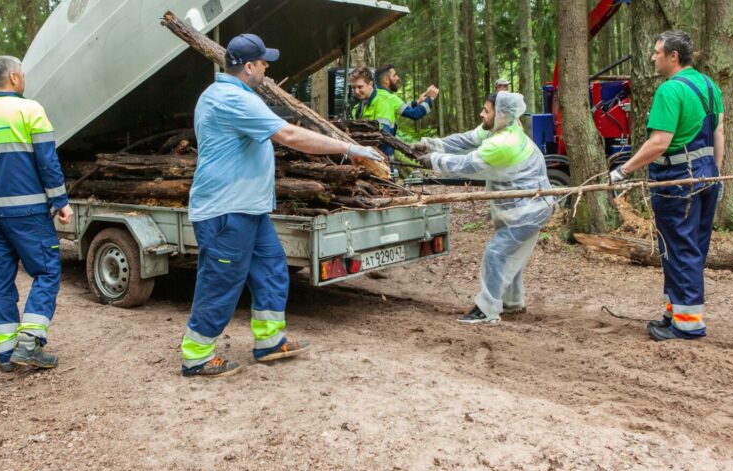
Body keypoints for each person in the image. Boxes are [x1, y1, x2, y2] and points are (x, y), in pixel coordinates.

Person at [182, 33, 385, 378]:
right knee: (221, 280)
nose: (266, 69)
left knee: (272, 268)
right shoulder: (232, 99)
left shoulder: (226, 93)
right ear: (248, 67)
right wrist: (350, 149)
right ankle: (196, 355)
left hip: (248, 210)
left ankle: (269, 341)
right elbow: (288, 136)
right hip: (226, 210)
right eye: (263, 64)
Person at [608, 30, 724, 342]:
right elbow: (719, 135)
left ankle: (686, 325)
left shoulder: (670, 91)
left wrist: (623, 171)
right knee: (691, 248)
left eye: (657, 52)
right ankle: (676, 312)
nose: (652, 57)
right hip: (706, 176)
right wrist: (717, 175)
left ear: (673, 56)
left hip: (677, 181)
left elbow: (659, 142)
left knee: (678, 248)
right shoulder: (710, 86)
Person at [0, 56, 73, 372]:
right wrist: (61, 202)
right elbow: (47, 162)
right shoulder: (30, 110)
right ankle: (30, 342)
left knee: (0, 279)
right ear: (12, 77)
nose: (24, 78)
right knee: (48, 270)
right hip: (29, 211)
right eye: (22, 74)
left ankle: (5, 352)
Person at [412, 91, 554, 323]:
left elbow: (468, 164)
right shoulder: (504, 128)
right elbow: (466, 139)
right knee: (511, 255)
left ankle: (486, 310)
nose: (481, 114)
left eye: (486, 110)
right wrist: (430, 144)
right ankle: (513, 302)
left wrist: (433, 160)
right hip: (529, 206)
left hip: (527, 210)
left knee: (496, 254)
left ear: (500, 114)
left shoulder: (503, 143)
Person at [350, 66, 437, 157]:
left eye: (360, 87)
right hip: (371, 155)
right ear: (386, 79)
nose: (356, 91)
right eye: (354, 87)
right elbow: (401, 108)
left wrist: (418, 102)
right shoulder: (360, 106)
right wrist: (429, 99)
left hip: (381, 156)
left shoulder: (384, 98)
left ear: (370, 84)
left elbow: (397, 107)